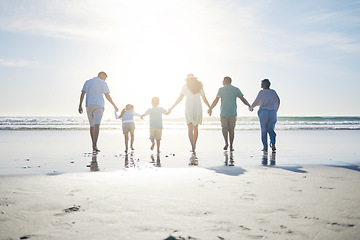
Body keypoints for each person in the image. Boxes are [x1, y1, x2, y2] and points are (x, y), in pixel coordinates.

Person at [169, 73, 211, 153]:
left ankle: (193, 146)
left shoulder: (185, 86)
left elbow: (180, 98)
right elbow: (204, 98)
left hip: (189, 108)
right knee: (196, 128)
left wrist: (171, 107)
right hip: (198, 108)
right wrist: (209, 107)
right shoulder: (199, 87)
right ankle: (194, 145)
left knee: (190, 128)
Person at [78, 71, 118, 152]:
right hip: (99, 105)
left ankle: (93, 143)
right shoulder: (102, 82)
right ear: (101, 75)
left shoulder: (88, 81)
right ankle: (95, 144)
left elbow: (82, 93)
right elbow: (107, 95)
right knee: (97, 125)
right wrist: (114, 105)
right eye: (105, 78)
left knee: (92, 126)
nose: (105, 80)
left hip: (88, 105)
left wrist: (80, 105)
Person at [208, 76, 251, 151]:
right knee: (231, 130)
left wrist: (210, 108)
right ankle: (231, 146)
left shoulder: (221, 89)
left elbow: (216, 100)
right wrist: (249, 105)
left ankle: (226, 143)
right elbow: (242, 99)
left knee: (224, 129)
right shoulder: (235, 89)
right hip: (232, 113)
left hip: (223, 113)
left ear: (224, 81)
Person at [249, 79, 280, 153]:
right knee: (271, 128)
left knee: (264, 129)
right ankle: (272, 142)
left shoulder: (262, 92)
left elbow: (256, 101)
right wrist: (275, 110)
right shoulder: (273, 92)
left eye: (261, 84)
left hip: (263, 112)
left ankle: (265, 147)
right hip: (272, 112)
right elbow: (278, 101)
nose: (261, 86)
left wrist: (251, 108)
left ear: (264, 85)